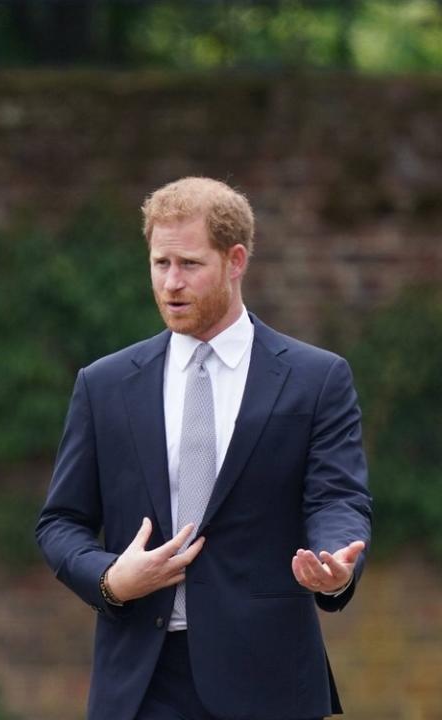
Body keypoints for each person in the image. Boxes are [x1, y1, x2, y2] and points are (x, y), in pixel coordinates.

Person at [36, 177, 372, 720]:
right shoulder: (104, 384)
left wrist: (336, 562)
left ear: (235, 260)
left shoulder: (317, 379)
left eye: (189, 264)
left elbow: (338, 498)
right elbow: (60, 522)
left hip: (269, 678)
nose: (171, 282)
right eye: (159, 263)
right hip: (139, 684)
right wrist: (109, 578)